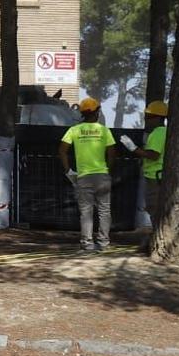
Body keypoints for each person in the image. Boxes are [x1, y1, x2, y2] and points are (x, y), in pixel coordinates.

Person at [59, 96, 118, 253]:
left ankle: (87, 245)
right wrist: (108, 171)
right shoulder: (104, 130)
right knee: (104, 211)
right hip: (102, 175)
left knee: (86, 212)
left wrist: (68, 170)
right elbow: (112, 153)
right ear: (97, 112)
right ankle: (104, 244)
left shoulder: (74, 130)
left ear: (82, 113)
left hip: (83, 177)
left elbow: (62, 150)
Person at [139, 99, 170, 246]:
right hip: (158, 176)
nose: (146, 120)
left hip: (155, 177)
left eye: (149, 117)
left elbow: (153, 155)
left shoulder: (158, 132)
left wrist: (134, 150)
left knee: (154, 208)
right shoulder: (164, 131)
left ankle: (159, 238)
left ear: (158, 118)